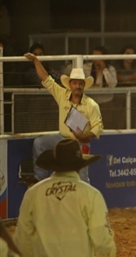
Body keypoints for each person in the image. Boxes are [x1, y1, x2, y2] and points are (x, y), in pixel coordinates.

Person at [23, 52, 104, 184]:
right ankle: (39, 178)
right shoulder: (62, 94)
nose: (78, 86)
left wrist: (83, 136)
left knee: (83, 176)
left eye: (80, 84)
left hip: (80, 142)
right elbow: (46, 79)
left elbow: (98, 128)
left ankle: (84, 196)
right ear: (70, 84)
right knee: (39, 143)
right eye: (75, 83)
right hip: (61, 139)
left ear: (83, 86)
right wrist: (36, 61)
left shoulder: (91, 105)